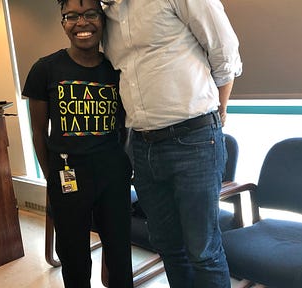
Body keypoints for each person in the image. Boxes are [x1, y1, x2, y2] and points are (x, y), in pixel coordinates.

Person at [102, 1, 242, 287]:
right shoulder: (106, 16)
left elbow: (225, 50)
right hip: (142, 145)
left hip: (194, 140)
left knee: (203, 251)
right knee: (168, 247)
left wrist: (219, 111)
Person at [22, 0, 133, 287]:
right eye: (71, 16)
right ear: (63, 23)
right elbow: (38, 132)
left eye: (90, 14)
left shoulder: (117, 70)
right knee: (74, 258)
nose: (81, 23)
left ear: (103, 19)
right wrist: (51, 177)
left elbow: (125, 125)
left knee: (120, 255)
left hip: (113, 176)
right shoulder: (44, 69)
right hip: (67, 177)